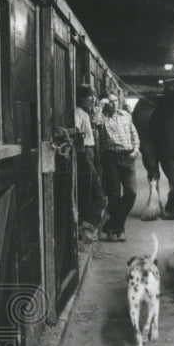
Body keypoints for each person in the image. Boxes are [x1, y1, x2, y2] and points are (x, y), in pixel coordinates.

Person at [98, 90, 140, 242]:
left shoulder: (126, 116)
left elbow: (135, 135)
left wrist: (135, 152)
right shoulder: (102, 117)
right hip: (111, 158)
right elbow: (95, 121)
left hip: (128, 157)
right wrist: (100, 106)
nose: (113, 103)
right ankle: (118, 231)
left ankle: (111, 224)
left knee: (131, 193)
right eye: (110, 101)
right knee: (114, 195)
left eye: (115, 101)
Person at [75, 86, 106, 242]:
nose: (93, 98)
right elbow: (76, 132)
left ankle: (86, 228)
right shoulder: (78, 113)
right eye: (90, 96)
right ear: (81, 99)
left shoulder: (86, 114)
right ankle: (86, 229)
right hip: (84, 152)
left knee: (94, 192)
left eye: (94, 95)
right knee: (96, 195)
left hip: (91, 152)